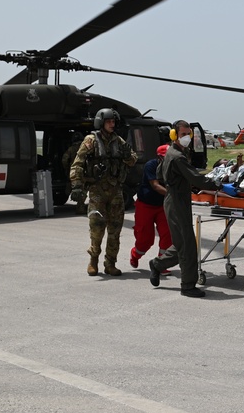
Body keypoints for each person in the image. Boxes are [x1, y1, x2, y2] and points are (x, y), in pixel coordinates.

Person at [149, 120, 230, 298]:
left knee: (181, 244)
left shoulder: (175, 152)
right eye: (183, 134)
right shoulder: (177, 156)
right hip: (176, 201)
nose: (186, 137)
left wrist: (185, 183)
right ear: (174, 135)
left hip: (178, 198)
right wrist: (218, 183)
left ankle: (157, 264)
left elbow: (165, 175)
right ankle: (187, 286)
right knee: (187, 246)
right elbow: (196, 178)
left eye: (188, 134)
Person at [70, 109, 138, 276]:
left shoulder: (118, 141)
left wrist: (127, 156)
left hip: (115, 191)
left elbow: (133, 159)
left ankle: (110, 263)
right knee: (97, 228)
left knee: (115, 230)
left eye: (113, 122)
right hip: (97, 191)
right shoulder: (91, 140)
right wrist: (77, 185)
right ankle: (93, 260)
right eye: (108, 121)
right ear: (101, 122)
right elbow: (77, 164)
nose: (112, 124)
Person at [129, 144, 172, 272]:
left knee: (168, 234)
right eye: (166, 157)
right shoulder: (151, 165)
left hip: (163, 206)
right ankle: (136, 254)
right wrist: (173, 194)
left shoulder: (173, 166)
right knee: (145, 238)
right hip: (145, 205)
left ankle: (161, 264)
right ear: (159, 157)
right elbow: (155, 186)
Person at [61, 132, 87, 214]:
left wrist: (67, 168)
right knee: (83, 189)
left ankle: (79, 207)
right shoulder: (85, 148)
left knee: (74, 187)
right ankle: (80, 207)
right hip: (84, 172)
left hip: (74, 172)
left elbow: (64, 160)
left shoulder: (71, 149)